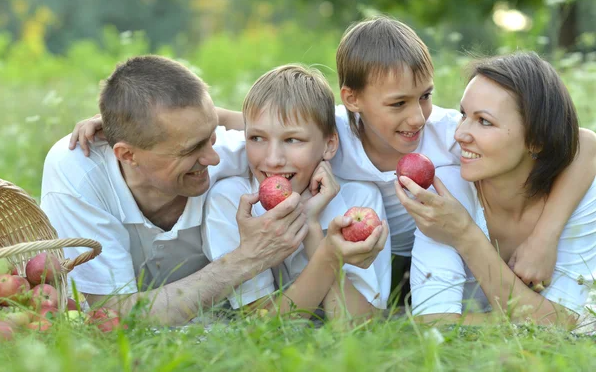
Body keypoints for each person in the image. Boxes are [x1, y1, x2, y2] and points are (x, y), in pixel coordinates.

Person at [68, 16, 596, 307]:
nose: (416, 116)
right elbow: (269, 127)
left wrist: (543, 238)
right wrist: (120, 128)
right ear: (350, 101)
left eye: (426, 96)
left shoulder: (448, 133)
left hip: (432, 262)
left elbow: (584, 142)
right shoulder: (328, 138)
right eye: (396, 104)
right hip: (377, 265)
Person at [41, 55, 316, 326]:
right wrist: (246, 259)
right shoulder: (78, 175)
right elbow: (114, 316)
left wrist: (323, 163)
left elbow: (324, 125)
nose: (213, 158)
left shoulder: (245, 153)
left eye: (211, 136)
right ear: (128, 155)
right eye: (191, 149)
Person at [395, 52, 596, 327]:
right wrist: (533, 317)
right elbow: (433, 321)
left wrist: (466, 236)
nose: (460, 134)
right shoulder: (448, 190)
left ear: (536, 139)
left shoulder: (580, 196)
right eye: (464, 114)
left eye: (485, 121)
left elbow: (565, 323)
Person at [202, 64, 391, 320]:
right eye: (257, 138)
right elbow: (264, 327)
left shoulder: (359, 200)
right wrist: (328, 256)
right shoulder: (231, 200)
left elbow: (356, 326)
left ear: (329, 145)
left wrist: (312, 230)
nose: (273, 159)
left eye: (292, 140)